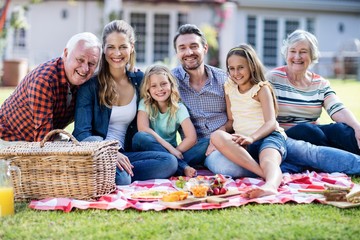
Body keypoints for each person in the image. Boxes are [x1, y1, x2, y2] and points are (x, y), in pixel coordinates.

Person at [172, 23, 360, 177]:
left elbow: (243, 116)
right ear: (177, 52)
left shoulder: (226, 80)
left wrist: (224, 137)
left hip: (257, 137)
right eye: (182, 48)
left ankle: (276, 170)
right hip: (223, 144)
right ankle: (272, 171)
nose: (189, 52)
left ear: (205, 48)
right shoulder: (171, 82)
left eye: (194, 46)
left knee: (312, 150)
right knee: (232, 169)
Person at [73, 20, 177, 185]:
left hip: (128, 153)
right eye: (111, 47)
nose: (117, 53)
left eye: (123, 47)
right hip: (100, 154)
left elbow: (162, 108)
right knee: (123, 177)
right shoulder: (90, 86)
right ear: (104, 49)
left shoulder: (139, 80)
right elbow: (81, 134)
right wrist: (110, 153)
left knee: (170, 162)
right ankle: (118, 175)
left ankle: (120, 175)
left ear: (132, 47)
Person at [266, 29, 360, 155]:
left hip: (315, 135)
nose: (297, 57)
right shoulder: (272, 78)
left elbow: (338, 108)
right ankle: (338, 155)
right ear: (286, 53)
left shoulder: (320, 83)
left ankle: (342, 154)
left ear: (312, 55)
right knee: (306, 130)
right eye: (293, 51)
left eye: (303, 52)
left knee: (342, 130)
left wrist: (356, 127)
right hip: (285, 138)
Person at [211, 44, 287, 198]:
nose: (236, 73)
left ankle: (270, 186)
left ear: (252, 66)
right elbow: (231, 120)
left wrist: (252, 138)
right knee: (216, 136)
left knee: (268, 160)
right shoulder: (229, 88)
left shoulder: (261, 88)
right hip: (243, 141)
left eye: (241, 67)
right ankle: (263, 173)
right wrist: (218, 136)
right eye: (231, 68)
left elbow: (271, 123)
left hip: (269, 137)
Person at [0, 32, 102, 144]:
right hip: (9, 139)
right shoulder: (44, 80)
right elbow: (44, 142)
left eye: (92, 64)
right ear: (66, 53)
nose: (85, 69)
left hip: (40, 138)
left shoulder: (86, 84)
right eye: (80, 60)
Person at [132, 64, 197, 177]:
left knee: (204, 143)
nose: (160, 89)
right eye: (154, 86)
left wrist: (175, 150)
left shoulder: (179, 108)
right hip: (149, 149)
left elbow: (191, 138)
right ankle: (182, 166)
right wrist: (170, 149)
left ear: (171, 85)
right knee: (141, 136)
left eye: (164, 84)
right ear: (148, 89)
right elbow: (143, 129)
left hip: (173, 151)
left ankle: (173, 162)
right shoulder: (145, 103)